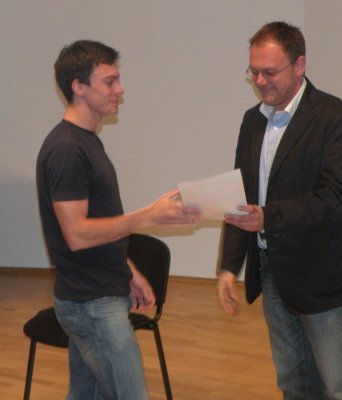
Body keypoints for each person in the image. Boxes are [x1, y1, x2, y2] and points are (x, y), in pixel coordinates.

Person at [36, 40, 200, 400]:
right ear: (79, 87)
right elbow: (77, 234)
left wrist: (127, 270)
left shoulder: (87, 142)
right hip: (91, 304)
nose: (120, 90)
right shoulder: (66, 150)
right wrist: (149, 215)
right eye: (109, 81)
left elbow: (98, 223)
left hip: (98, 295)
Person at [217, 22, 342, 399]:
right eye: (254, 72)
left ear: (299, 65)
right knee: (293, 383)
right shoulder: (253, 121)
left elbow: (335, 197)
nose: (260, 81)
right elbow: (241, 196)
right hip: (272, 270)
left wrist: (268, 217)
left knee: (339, 387)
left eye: (269, 72)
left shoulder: (333, 117)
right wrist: (228, 267)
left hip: (322, 274)